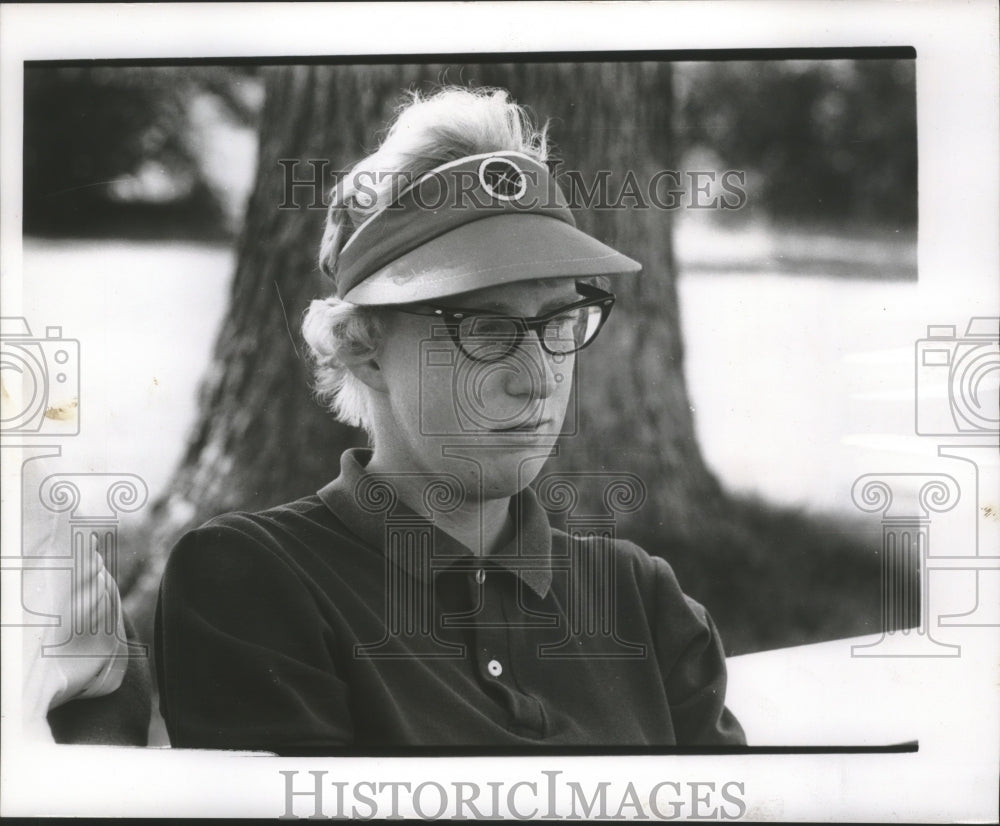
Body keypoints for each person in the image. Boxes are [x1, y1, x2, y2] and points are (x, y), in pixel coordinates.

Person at [155, 86, 745, 753]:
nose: (538, 376)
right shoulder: (258, 581)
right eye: (486, 327)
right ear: (363, 348)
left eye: (559, 322)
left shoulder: (641, 600)